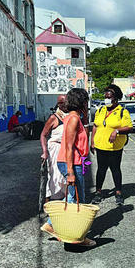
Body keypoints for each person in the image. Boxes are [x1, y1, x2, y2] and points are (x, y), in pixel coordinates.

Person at [50, 88, 95, 247]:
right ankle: (77, 238)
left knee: (72, 197)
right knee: (78, 201)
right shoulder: (74, 119)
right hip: (71, 163)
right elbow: (69, 147)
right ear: (81, 101)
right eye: (86, 100)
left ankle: (51, 223)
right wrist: (70, 173)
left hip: (74, 162)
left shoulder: (74, 117)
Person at [91, 84, 133, 205]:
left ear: (116, 98)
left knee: (115, 170)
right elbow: (95, 126)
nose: (107, 100)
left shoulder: (122, 112)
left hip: (115, 148)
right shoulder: (100, 110)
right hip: (101, 146)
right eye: (106, 97)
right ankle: (98, 192)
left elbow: (129, 127)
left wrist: (117, 131)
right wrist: (92, 141)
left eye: (109, 97)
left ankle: (118, 192)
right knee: (101, 170)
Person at [39, 95, 69, 237]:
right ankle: (49, 202)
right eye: (60, 103)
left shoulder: (69, 116)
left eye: (65, 102)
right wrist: (45, 152)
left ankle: (64, 202)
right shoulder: (54, 117)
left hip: (66, 149)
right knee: (54, 176)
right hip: (55, 149)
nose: (63, 105)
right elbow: (43, 135)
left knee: (65, 177)